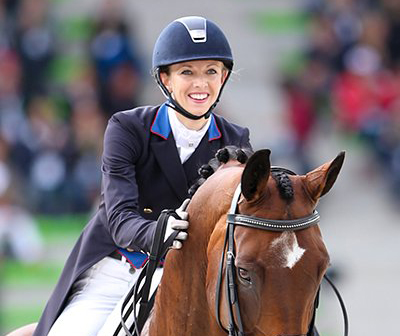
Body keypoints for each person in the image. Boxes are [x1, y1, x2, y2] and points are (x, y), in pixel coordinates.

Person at [19, 16, 252, 336]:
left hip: (185, 279)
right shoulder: (127, 128)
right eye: (187, 72)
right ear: (165, 79)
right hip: (117, 270)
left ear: (223, 76)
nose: (201, 84)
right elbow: (119, 217)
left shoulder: (235, 140)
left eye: (211, 71)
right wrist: (160, 231)